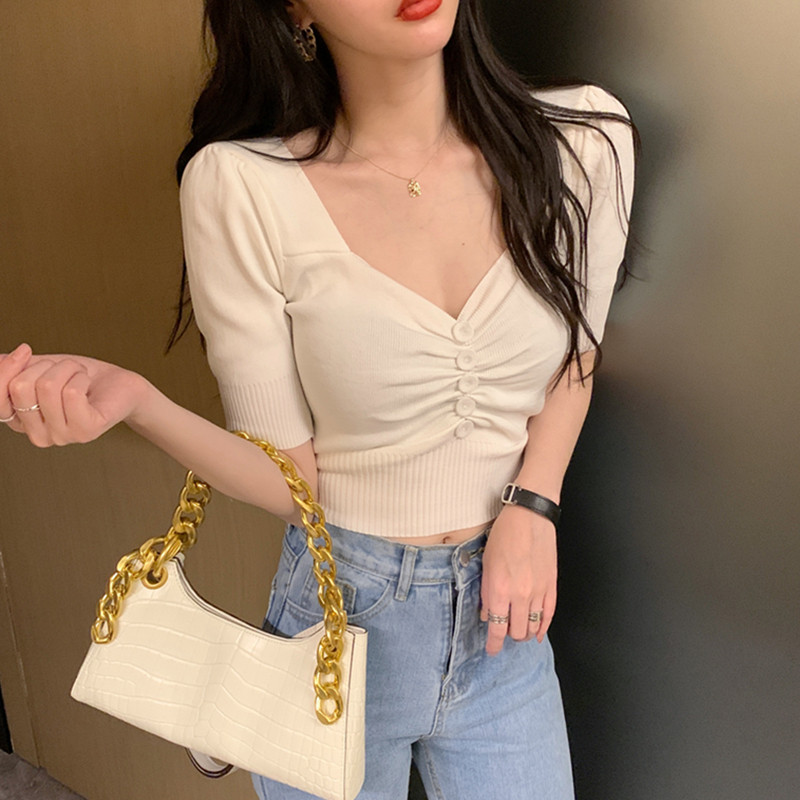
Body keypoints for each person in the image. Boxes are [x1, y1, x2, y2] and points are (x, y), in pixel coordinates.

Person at [0, 0, 636, 797]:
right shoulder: (241, 186)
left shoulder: (584, 142)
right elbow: (290, 480)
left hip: (506, 627)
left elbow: (578, 350)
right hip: (340, 616)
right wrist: (138, 402)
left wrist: (534, 504)